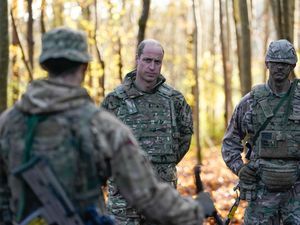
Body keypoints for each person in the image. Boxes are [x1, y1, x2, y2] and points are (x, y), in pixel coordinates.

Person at [0, 27, 215, 225]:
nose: (151, 66)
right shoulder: (100, 126)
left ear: (45, 64)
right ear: (84, 67)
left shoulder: (8, 123)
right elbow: (147, 195)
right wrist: (196, 209)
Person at [101, 39, 193, 225]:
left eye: (157, 62)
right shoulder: (115, 100)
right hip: (123, 197)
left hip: (162, 192)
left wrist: (163, 166)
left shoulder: (174, 100)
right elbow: (100, 143)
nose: (152, 67)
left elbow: (185, 136)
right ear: (137, 59)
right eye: (147, 60)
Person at [222, 39, 300, 225]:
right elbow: (230, 142)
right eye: (275, 63)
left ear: (292, 65)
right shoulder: (250, 102)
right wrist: (240, 169)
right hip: (261, 193)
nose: (279, 68)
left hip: (296, 193)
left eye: (285, 64)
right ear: (267, 64)